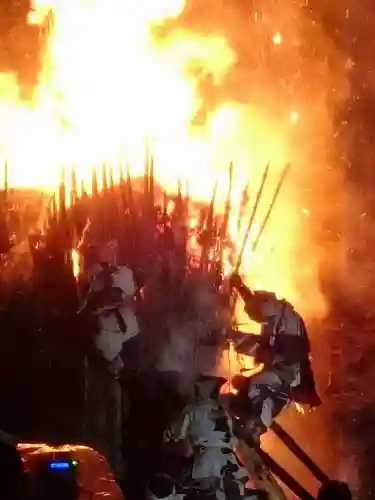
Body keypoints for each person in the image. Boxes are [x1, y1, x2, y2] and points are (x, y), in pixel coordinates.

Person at [228, 273, 321, 438]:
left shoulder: (288, 327)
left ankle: (250, 426)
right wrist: (241, 288)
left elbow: (267, 353)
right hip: (278, 375)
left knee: (259, 390)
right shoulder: (277, 317)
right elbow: (261, 342)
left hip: (280, 378)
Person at [163, 374, 251, 500]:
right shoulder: (224, 411)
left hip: (207, 463)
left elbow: (173, 433)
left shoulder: (192, 409)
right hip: (230, 461)